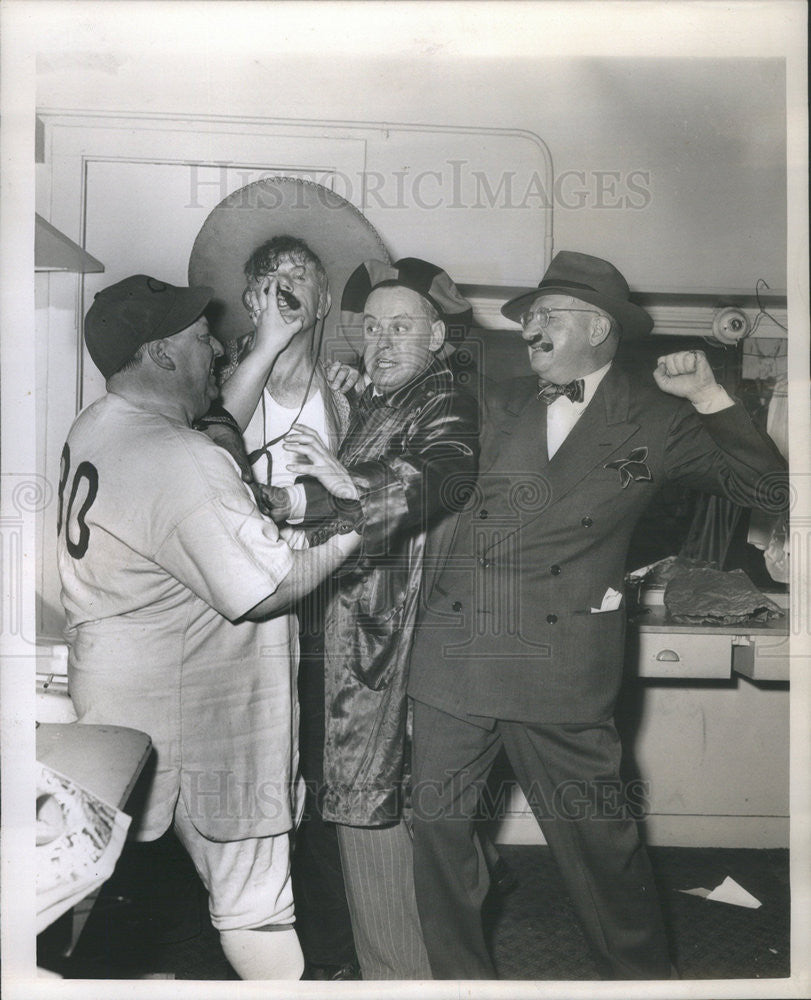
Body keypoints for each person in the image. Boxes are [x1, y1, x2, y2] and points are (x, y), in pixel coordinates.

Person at [406, 251, 789, 980]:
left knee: (599, 849)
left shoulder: (656, 417)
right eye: (528, 317)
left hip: (560, 669)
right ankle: (459, 984)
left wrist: (710, 395)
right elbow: (417, 466)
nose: (531, 328)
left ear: (599, 329)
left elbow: (767, 490)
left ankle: (642, 985)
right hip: (456, 653)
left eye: (547, 314)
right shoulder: (496, 397)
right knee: (438, 833)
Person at [57, 274, 361, 980]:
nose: (219, 350)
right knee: (256, 906)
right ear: (161, 354)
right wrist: (353, 524)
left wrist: (275, 340)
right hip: (203, 716)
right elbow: (268, 589)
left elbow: (211, 425)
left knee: (107, 890)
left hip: (124, 706)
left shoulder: (102, 423)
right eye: (201, 339)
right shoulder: (179, 460)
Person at [188, 178, 390, 979]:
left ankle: (332, 954)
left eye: (299, 274)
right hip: (240, 601)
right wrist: (266, 341)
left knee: (319, 772)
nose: (286, 285)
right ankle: (235, 945)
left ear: (323, 292)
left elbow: (366, 485)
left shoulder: (348, 386)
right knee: (243, 775)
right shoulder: (219, 377)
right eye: (270, 275)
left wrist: (345, 396)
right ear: (250, 293)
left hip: (323, 601)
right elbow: (212, 441)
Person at [263, 257, 480, 979]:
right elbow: (337, 494)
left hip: (381, 659)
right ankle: (376, 969)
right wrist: (289, 503)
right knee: (345, 816)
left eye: (402, 326)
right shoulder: (390, 398)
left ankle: (397, 978)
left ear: (438, 335)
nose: (382, 340)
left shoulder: (445, 397)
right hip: (346, 647)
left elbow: (437, 473)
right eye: (372, 327)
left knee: (370, 820)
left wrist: (346, 479)